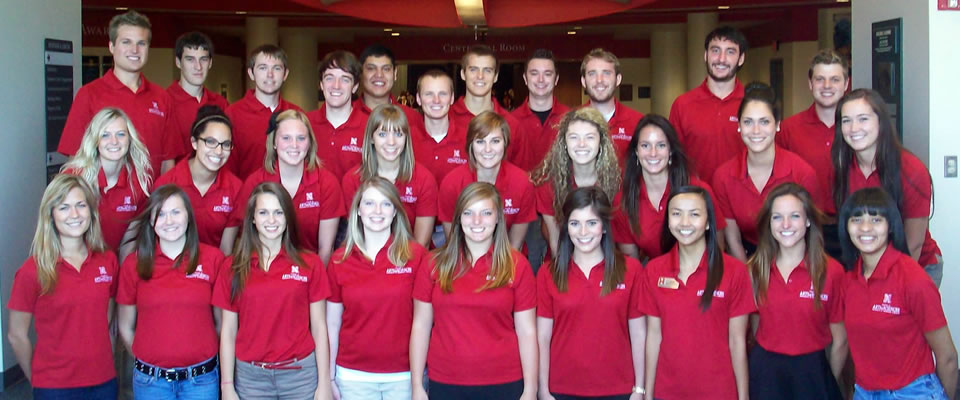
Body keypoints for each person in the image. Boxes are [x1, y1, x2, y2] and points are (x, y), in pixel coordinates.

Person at [410, 182, 537, 400]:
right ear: (458, 218)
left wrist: (530, 390)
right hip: (446, 380)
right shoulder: (433, 263)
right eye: (468, 213)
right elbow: (420, 326)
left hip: (504, 380)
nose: (477, 221)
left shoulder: (517, 265)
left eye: (486, 213)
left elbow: (527, 331)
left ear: (498, 218)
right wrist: (417, 386)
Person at [214, 182, 333, 400]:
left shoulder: (310, 263)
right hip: (251, 379)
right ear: (252, 218)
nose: (271, 220)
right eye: (263, 212)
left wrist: (324, 383)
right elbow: (228, 331)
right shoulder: (232, 267)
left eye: (278, 212)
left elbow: (319, 327)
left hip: (300, 376)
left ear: (288, 217)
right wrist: (227, 386)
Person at [837, 188, 957, 399]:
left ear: (891, 225)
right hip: (865, 392)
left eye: (876, 219)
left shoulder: (913, 279)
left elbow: (947, 357)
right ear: (846, 226)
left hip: (913, 392)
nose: (865, 227)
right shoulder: (848, 280)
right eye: (856, 219)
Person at [8, 174, 118, 399]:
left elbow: (105, 318)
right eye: (64, 207)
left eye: (81, 205)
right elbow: (16, 335)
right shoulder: (32, 270)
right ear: (51, 215)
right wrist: (37, 380)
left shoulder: (108, 261)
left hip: (103, 381)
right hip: (55, 386)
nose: (74, 214)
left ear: (91, 211)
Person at [641, 186, 754, 399]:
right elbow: (654, 337)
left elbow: (737, 341)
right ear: (668, 221)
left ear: (708, 222)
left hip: (718, 390)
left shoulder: (734, 271)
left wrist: (743, 396)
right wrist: (647, 394)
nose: (685, 222)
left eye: (694, 214)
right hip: (668, 391)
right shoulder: (654, 271)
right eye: (676, 214)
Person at [537, 187, 646, 400]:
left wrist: (639, 388)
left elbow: (639, 333)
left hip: (619, 388)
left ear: (604, 227)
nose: (583, 232)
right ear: (566, 227)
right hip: (562, 388)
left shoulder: (630, 270)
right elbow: (542, 336)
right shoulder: (548, 273)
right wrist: (543, 389)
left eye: (592, 223)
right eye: (575, 224)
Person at [117, 184, 224, 399]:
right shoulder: (134, 264)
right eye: (161, 214)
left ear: (188, 216)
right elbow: (125, 327)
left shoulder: (213, 259)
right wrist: (149, 359)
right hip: (151, 382)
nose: (169, 221)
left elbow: (221, 324)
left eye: (176, 212)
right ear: (151, 221)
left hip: (201, 381)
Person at [327, 177, 428, 400]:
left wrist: (417, 381)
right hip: (352, 376)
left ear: (395, 211)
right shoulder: (339, 260)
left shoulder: (416, 256)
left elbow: (424, 321)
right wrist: (329, 376)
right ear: (358, 210)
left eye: (386, 204)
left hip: (404, 375)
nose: (377, 211)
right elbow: (332, 324)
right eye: (369, 203)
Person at [831, 89, 943, 286]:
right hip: (867, 268)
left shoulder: (910, 170)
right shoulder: (843, 167)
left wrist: (886, 288)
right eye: (846, 120)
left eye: (863, 119)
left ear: (881, 122)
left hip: (916, 266)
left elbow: (914, 243)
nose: (854, 128)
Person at [746, 182, 846, 400]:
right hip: (767, 373)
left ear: (808, 220)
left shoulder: (831, 271)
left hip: (813, 372)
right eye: (777, 217)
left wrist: (826, 380)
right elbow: (755, 325)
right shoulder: (755, 270)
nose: (786, 224)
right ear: (769, 223)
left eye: (795, 216)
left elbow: (840, 340)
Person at [712, 82, 822, 261]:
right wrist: (748, 274)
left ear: (777, 125)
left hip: (796, 258)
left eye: (764, 122)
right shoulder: (723, 176)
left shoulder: (802, 173)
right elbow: (733, 241)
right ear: (739, 125)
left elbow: (813, 236)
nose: (756, 131)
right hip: (746, 258)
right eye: (748, 122)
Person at [58, 10, 176, 176]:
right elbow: (75, 162)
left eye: (141, 43)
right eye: (126, 42)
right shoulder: (89, 95)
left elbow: (168, 164)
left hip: (152, 193)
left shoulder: (162, 98)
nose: (134, 50)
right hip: (101, 193)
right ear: (111, 47)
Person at [230, 109, 344, 265]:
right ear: (274, 143)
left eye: (301, 138)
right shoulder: (255, 182)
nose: (294, 145)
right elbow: (246, 242)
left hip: (310, 270)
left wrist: (314, 278)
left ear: (310, 143)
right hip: (265, 269)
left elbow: (325, 249)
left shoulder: (327, 183)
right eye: (286, 138)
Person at [613, 114, 726, 262]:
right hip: (653, 272)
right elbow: (632, 264)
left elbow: (717, 249)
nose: (653, 153)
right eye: (645, 145)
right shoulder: (623, 200)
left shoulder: (698, 191)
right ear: (636, 151)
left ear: (671, 150)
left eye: (661, 145)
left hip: (701, 270)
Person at [341, 104, 438, 247]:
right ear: (371, 138)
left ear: (406, 138)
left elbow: (421, 244)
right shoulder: (353, 179)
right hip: (368, 254)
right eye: (382, 134)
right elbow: (357, 235)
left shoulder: (424, 179)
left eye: (398, 134)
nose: (391, 142)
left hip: (411, 256)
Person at [61, 107, 153, 259]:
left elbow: (128, 243)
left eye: (121, 134)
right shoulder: (73, 178)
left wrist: (122, 273)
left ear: (130, 139)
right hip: (73, 262)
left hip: (110, 264)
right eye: (105, 135)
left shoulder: (139, 183)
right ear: (95, 140)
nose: (114, 141)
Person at [438, 111, 536, 250]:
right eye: (480, 141)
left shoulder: (522, 183)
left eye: (495, 141)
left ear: (505, 143)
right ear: (471, 145)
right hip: (463, 257)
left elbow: (515, 244)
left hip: (507, 256)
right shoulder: (452, 183)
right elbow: (453, 244)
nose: (488, 149)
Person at [531, 107, 620, 255]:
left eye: (590, 137)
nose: (581, 144)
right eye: (574, 137)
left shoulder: (616, 182)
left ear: (601, 142)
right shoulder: (548, 185)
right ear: (564, 142)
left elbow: (619, 239)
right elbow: (555, 240)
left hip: (608, 259)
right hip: (563, 260)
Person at [155, 105, 242, 254]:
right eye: (210, 142)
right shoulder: (167, 183)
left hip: (215, 266)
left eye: (226, 144)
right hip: (173, 265)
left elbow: (226, 249)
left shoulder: (236, 188)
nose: (219, 151)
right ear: (194, 142)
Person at [669, 26, 748, 184]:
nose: (721, 59)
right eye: (715, 50)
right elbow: (673, 158)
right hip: (695, 195)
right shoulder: (683, 105)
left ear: (741, 59)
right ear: (706, 55)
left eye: (730, 52)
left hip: (742, 195)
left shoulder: (753, 104)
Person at [777, 49, 850, 218]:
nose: (827, 86)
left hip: (853, 222)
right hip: (804, 221)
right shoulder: (788, 129)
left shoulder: (859, 129)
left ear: (846, 84)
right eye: (820, 79)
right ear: (810, 84)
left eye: (835, 80)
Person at [225, 44, 303, 180]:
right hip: (248, 192)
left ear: (285, 74)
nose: (270, 75)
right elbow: (227, 171)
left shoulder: (297, 114)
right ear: (251, 73)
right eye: (263, 68)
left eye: (276, 68)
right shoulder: (233, 114)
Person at [449, 45, 522, 162]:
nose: (480, 76)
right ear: (463, 74)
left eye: (487, 70)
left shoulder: (512, 125)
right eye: (473, 69)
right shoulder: (446, 119)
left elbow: (521, 172)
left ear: (495, 76)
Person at [166, 32, 229, 160]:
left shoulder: (221, 103)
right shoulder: (164, 101)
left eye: (203, 59)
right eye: (190, 59)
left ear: (210, 63)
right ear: (178, 62)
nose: (198, 67)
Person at [308, 50, 369, 181]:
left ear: (355, 87)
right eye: (329, 78)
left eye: (345, 79)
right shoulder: (305, 124)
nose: (336, 86)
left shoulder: (370, 127)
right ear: (321, 84)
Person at [510, 48, 571, 172]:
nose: (541, 79)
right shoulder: (509, 121)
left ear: (556, 79)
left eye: (547, 74)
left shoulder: (570, 119)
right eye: (534, 73)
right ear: (525, 79)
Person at [580, 48, 644, 160]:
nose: (599, 80)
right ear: (583, 81)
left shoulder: (638, 122)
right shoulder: (570, 121)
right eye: (592, 74)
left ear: (618, 79)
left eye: (606, 73)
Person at [411, 69, 466, 184]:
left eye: (443, 94)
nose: (436, 100)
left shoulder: (469, 139)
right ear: (418, 99)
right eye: (429, 94)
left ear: (452, 98)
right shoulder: (405, 140)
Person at [355, 44, 422, 124]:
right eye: (371, 68)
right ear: (361, 73)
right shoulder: (347, 114)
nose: (379, 75)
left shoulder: (412, 118)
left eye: (386, 69)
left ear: (395, 74)